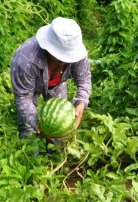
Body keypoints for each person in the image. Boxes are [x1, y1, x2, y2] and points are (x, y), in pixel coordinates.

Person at [10, 17, 91, 153]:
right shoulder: (26, 60)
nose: (65, 61)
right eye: (60, 56)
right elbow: (23, 97)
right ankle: (31, 161)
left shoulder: (78, 55)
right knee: (28, 126)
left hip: (56, 83)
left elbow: (84, 79)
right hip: (31, 82)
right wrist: (38, 125)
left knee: (58, 123)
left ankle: (54, 155)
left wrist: (81, 102)